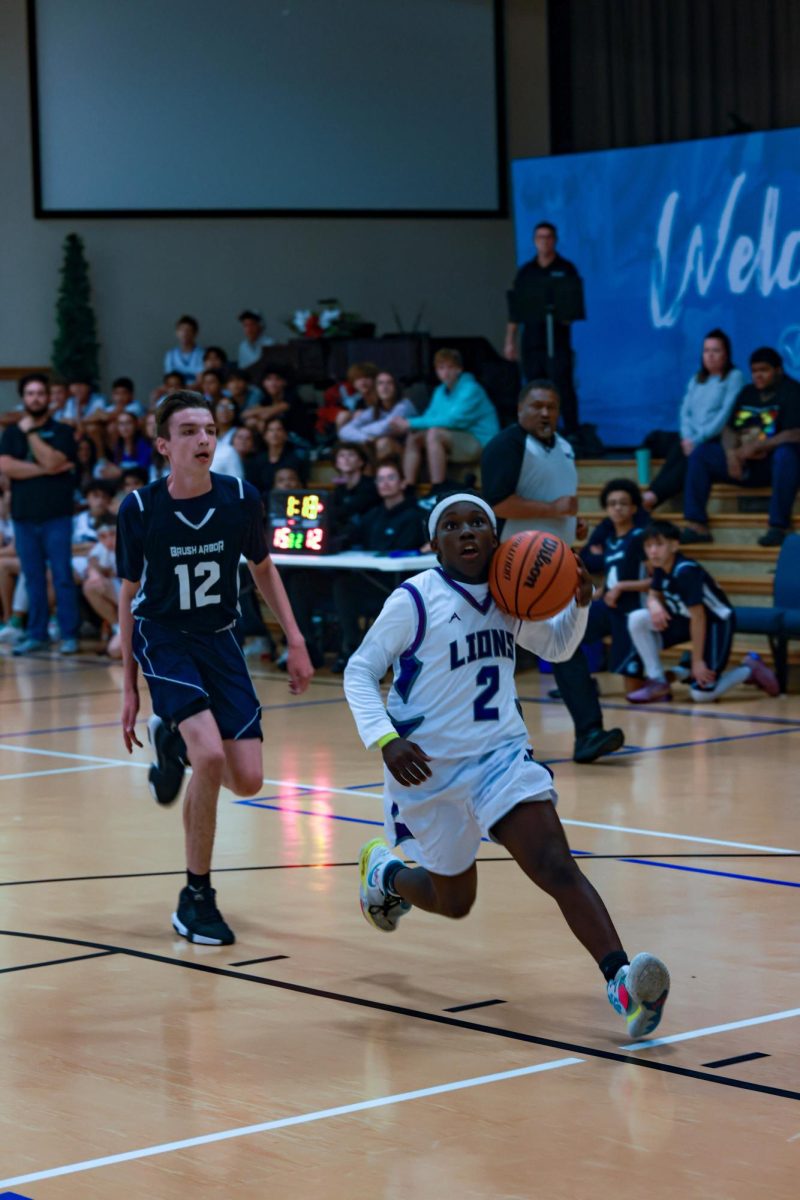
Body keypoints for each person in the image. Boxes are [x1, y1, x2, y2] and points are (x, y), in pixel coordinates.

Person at [343, 493, 670, 1040]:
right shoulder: (414, 600)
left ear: (497, 539)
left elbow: (559, 649)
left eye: (478, 522)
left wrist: (579, 602)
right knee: (455, 901)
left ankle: (623, 983)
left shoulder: (509, 592)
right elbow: (359, 673)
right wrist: (385, 740)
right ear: (434, 543)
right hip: (427, 771)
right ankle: (387, 877)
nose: (467, 531)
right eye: (452, 525)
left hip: (500, 757)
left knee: (554, 863)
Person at [116, 390, 314, 945]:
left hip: (220, 639)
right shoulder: (139, 508)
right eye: (188, 431)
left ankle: (173, 741)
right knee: (209, 755)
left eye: (208, 428)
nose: (203, 438)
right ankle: (196, 897)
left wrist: (295, 639)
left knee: (247, 779)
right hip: (165, 637)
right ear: (163, 445)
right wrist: (130, 687)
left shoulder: (240, 498)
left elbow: (264, 569)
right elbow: (129, 594)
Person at [481, 381, 624, 762]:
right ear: (520, 410)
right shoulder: (507, 445)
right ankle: (506, 742)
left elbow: (560, 503)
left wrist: (571, 525)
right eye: (538, 406)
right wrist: (555, 511)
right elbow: (497, 504)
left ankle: (589, 733)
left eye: (552, 407)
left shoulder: (563, 446)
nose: (546, 413)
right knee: (500, 658)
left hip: (553, 568)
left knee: (567, 649)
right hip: (510, 570)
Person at [625, 519, 779, 703]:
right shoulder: (660, 566)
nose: (653, 551)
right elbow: (654, 592)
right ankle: (657, 681)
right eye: (648, 546)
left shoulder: (686, 571)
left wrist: (699, 662)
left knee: (701, 694)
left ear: (674, 545)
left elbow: (699, 617)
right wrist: (653, 602)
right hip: (685, 619)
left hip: (716, 621)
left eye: (659, 544)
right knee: (637, 618)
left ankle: (748, 669)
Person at [681, 347, 800, 548]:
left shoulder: (793, 391)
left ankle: (778, 527)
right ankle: (696, 525)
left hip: (774, 466)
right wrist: (730, 454)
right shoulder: (747, 392)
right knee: (701, 454)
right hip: (742, 465)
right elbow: (728, 429)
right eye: (754, 371)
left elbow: (795, 433)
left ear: (778, 370)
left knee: (786, 454)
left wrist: (759, 445)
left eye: (764, 370)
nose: (758, 376)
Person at [0, 373, 80, 655]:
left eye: (40, 393)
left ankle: (69, 634)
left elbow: (58, 460)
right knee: (32, 577)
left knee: (62, 576)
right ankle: (38, 633)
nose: (35, 398)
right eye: (30, 393)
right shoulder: (10, 434)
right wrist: (46, 468)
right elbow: (7, 467)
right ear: (23, 398)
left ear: (48, 398)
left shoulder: (63, 431)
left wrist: (32, 434)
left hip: (57, 516)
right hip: (23, 517)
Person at [331, 460, 425, 671]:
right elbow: (353, 538)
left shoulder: (415, 515)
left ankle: (376, 657)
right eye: (380, 479)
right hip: (372, 581)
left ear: (402, 483)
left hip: (400, 588)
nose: (385, 483)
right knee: (341, 584)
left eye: (391, 478)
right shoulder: (372, 515)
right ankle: (352, 649)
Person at [642, 330, 745, 510]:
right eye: (706, 351)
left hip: (715, 438)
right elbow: (685, 410)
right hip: (692, 437)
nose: (710, 356)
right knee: (678, 448)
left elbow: (725, 413)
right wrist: (688, 436)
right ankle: (652, 494)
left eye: (716, 351)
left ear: (726, 354)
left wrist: (698, 439)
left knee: (693, 455)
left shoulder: (734, 377)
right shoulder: (697, 378)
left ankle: (653, 496)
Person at [504, 222, 581, 436]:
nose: (544, 241)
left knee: (562, 385)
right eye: (540, 237)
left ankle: (572, 432)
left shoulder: (566, 269)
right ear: (534, 241)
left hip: (557, 341)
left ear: (554, 240)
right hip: (532, 340)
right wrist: (510, 340)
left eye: (548, 237)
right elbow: (516, 310)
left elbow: (572, 307)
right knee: (534, 387)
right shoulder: (527, 272)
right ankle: (535, 431)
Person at [580, 479, 651, 694]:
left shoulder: (641, 538)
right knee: (570, 625)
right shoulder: (609, 541)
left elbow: (657, 581)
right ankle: (583, 683)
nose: (617, 507)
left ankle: (669, 676)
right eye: (612, 503)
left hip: (632, 613)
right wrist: (594, 594)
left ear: (633, 508)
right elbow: (611, 580)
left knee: (633, 692)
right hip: (609, 609)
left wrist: (622, 587)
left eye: (622, 503)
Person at [392, 349, 499, 485]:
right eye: (441, 368)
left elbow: (454, 421)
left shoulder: (472, 389)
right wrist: (410, 426)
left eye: (450, 367)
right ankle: (409, 485)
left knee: (434, 434)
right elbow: (428, 417)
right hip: (457, 437)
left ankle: (438, 487)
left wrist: (409, 423)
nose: (445, 372)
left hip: (480, 441)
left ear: (459, 369)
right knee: (414, 436)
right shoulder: (440, 391)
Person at [339, 370, 417, 460]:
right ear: (376, 389)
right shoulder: (374, 410)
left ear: (396, 388)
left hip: (409, 451)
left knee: (382, 443)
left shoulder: (404, 405)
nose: (385, 387)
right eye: (380, 384)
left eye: (389, 383)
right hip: (384, 447)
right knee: (362, 442)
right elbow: (344, 431)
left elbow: (384, 428)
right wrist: (365, 437)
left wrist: (361, 433)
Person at [82, 517, 123, 658]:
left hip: (141, 601)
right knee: (91, 585)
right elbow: (92, 564)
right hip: (125, 599)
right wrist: (94, 573)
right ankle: (118, 627)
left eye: (113, 534)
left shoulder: (131, 545)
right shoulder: (101, 548)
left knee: (116, 650)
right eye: (103, 536)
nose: (109, 540)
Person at [163, 315, 205, 383]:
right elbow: (169, 378)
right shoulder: (171, 355)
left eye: (188, 330)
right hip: (176, 390)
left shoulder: (203, 354)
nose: (185, 333)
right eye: (181, 330)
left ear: (195, 333)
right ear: (176, 332)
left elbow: (201, 378)